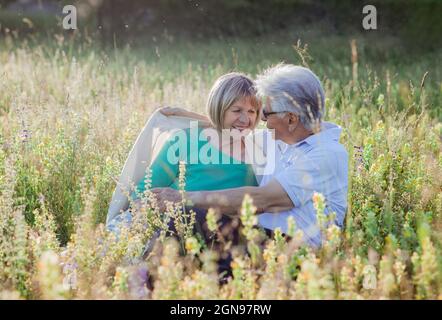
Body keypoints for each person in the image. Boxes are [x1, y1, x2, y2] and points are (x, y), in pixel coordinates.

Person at [153, 63, 349, 248]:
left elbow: (262, 199)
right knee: (190, 221)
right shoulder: (282, 138)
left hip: (292, 250)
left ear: (291, 118)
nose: (262, 119)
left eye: (267, 112)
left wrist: (183, 197)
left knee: (189, 214)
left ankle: (141, 278)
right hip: (261, 236)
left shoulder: (327, 156)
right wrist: (186, 115)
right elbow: (235, 128)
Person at [106, 72, 268, 280]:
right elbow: (144, 193)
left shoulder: (258, 152)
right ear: (219, 109)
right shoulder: (187, 141)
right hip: (162, 224)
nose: (245, 119)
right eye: (237, 110)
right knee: (112, 250)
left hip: (212, 236)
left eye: (252, 112)